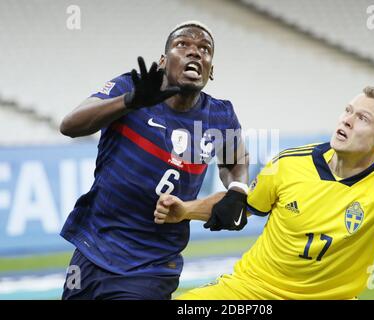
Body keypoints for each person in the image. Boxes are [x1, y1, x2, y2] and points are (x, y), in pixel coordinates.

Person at [154, 86, 374, 300]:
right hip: (252, 292)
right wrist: (186, 210)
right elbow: (239, 207)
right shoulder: (288, 163)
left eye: (362, 118)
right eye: (348, 111)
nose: (346, 119)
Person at [59, 21, 249, 300]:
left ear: (211, 70)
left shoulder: (220, 115)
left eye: (204, 49)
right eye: (182, 45)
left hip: (152, 265)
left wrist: (237, 189)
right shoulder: (129, 89)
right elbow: (70, 126)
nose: (195, 52)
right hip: (93, 248)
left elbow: (236, 160)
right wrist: (129, 101)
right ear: (163, 61)